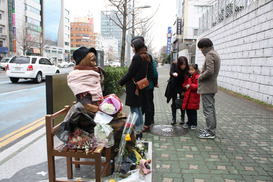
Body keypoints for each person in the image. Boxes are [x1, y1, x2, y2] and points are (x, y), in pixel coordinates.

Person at [67, 46, 136, 158]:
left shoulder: (91, 74)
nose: (94, 61)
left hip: (96, 114)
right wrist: (107, 111)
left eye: (94, 59)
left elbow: (97, 98)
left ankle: (124, 153)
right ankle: (115, 154)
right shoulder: (78, 77)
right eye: (91, 59)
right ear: (82, 60)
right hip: (87, 119)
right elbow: (87, 106)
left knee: (127, 120)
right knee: (124, 126)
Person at [119, 39, 151, 139]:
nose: (132, 49)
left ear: (137, 47)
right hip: (140, 86)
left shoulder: (137, 57)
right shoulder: (145, 56)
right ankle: (139, 129)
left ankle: (137, 131)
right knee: (138, 109)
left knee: (135, 110)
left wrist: (121, 82)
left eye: (133, 46)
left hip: (134, 87)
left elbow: (130, 73)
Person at [131, 36, 158, 132]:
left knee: (147, 104)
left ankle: (147, 123)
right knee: (145, 104)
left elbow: (153, 71)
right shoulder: (142, 55)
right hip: (145, 84)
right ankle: (144, 123)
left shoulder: (146, 55)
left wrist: (153, 82)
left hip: (145, 85)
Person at [196, 38, 221, 139]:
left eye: (201, 48)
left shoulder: (210, 55)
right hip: (211, 86)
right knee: (211, 108)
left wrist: (200, 77)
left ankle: (210, 132)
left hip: (207, 87)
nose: (201, 50)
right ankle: (210, 129)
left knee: (208, 110)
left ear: (205, 47)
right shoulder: (214, 53)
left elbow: (210, 71)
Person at [165, 56, 189, 125]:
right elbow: (171, 72)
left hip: (182, 88)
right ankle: (174, 118)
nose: (183, 66)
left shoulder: (187, 69)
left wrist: (184, 91)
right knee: (174, 103)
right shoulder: (174, 65)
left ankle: (182, 118)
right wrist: (173, 74)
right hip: (174, 87)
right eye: (181, 65)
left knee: (182, 103)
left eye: (184, 64)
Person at [182, 64, 201, 130]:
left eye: (192, 70)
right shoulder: (188, 76)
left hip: (194, 97)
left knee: (193, 111)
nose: (190, 71)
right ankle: (189, 122)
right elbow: (184, 83)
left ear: (195, 70)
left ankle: (194, 123)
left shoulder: (197, 77)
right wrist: (185, 86)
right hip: (187, 96)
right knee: (188, 111)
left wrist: (190, 85)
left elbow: (198, 86)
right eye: (189, 70)